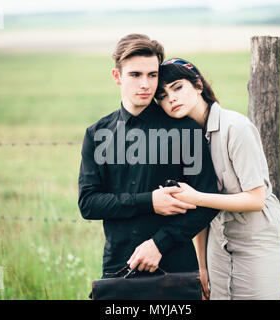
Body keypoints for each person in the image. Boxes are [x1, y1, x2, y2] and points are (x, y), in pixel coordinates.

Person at [77, 34, 220, 284]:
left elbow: (208, 200)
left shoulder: (185, 130)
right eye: (135, 75)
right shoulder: (97, 134)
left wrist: (159, 244)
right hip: (118, 268)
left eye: (152, 75)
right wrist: (149, 202)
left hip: (175, 269)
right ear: (117, 77)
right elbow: (89, 203)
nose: (145, 84)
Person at [155, 58, 280, 300]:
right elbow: (198, 212)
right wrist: (201, 266)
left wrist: (196, 197)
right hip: (217, 242)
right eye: (162, 95)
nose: (171, 98)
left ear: (198, 85)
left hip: (255, 239)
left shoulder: (235, 127)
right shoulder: (183, 139)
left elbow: (256, 199)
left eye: (177, 87)